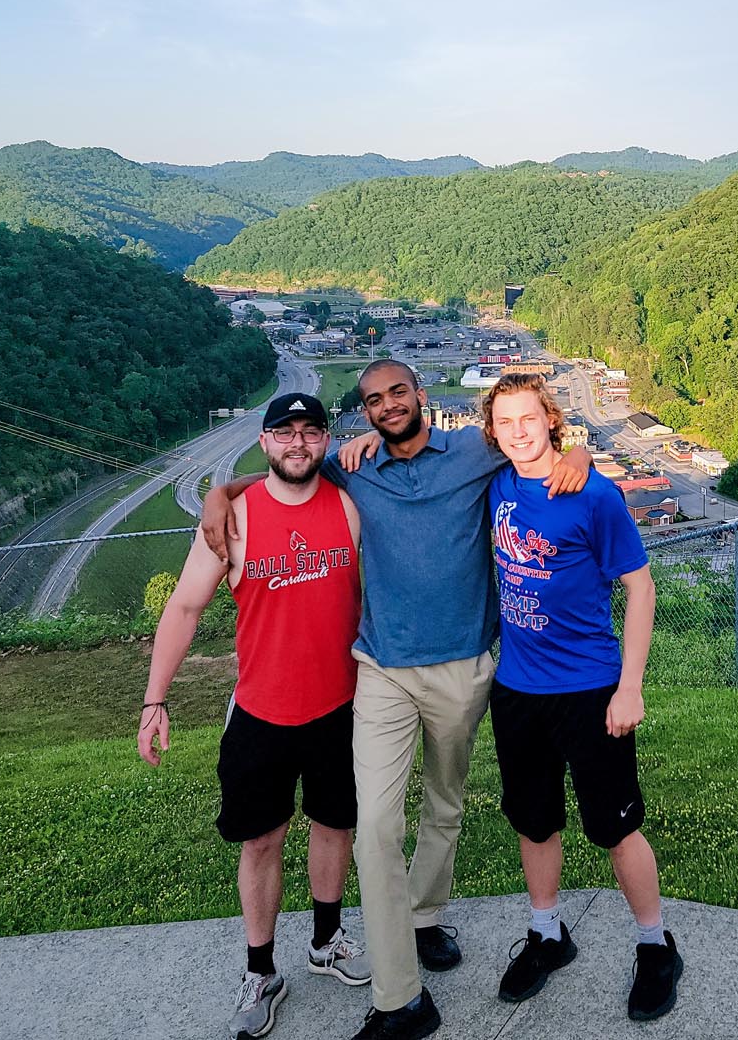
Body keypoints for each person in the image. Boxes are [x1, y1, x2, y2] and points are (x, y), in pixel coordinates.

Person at [203, 360, 590, 1040]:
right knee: (375, 829)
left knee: (445, 804)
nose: (386, 405)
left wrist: (579, 452)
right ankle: (400, 998)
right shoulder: (353, 464)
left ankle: (424, 918)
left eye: (397, 392)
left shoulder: (475, 450)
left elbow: (540, 443)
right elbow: (282, 475)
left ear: (420, 396)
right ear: (365, 411)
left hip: (462, 667)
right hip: (379, 669)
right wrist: (218, 492)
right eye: (372, 400)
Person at [141, 392, 371, 1040]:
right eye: (285, 433)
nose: (298, 443)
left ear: (324, 441)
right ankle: (262, 970)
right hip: (261, 712)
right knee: (261, 840)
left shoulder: (349, 504)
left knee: (334, 826)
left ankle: (326, 941)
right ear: (265, 442)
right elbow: (184, 610)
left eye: (310, 432)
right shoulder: (232, 519)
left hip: (338, 708)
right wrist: (154, 701)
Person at [479, 372, 683, 1020]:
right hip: (517, 689)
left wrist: (630, 687)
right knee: (534, 821)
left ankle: (656, 947)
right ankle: (547, 935)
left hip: (591, 689)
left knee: (617, 828)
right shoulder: (497, 487)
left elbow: (641, 589)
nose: (518, 432)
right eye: (505, 422)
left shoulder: (594, 496)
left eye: (529, 420)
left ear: (551, 422)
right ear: (492, 431)